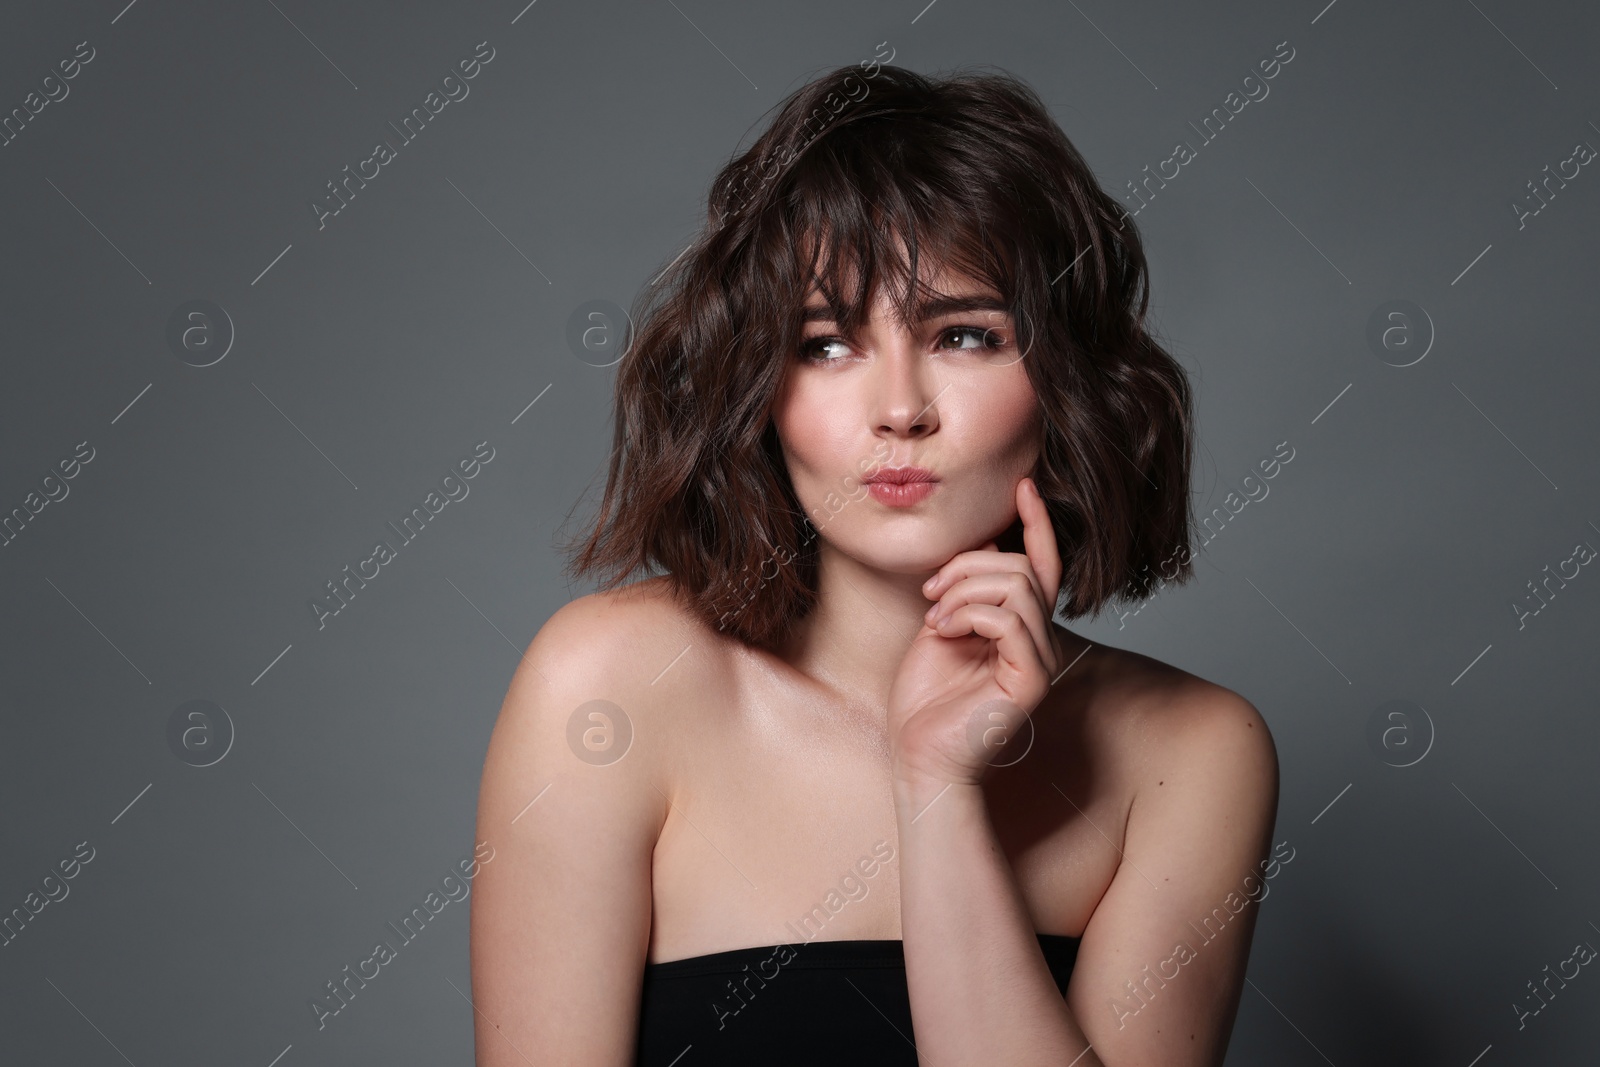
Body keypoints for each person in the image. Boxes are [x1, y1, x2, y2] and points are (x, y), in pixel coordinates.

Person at [470, 61, 1279, 1067]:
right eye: (827, 345)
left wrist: (937, 788)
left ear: (1065, 381)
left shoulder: (1190, 751)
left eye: (966, 335)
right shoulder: (611, 687)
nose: (901, 408)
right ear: (757, 388)